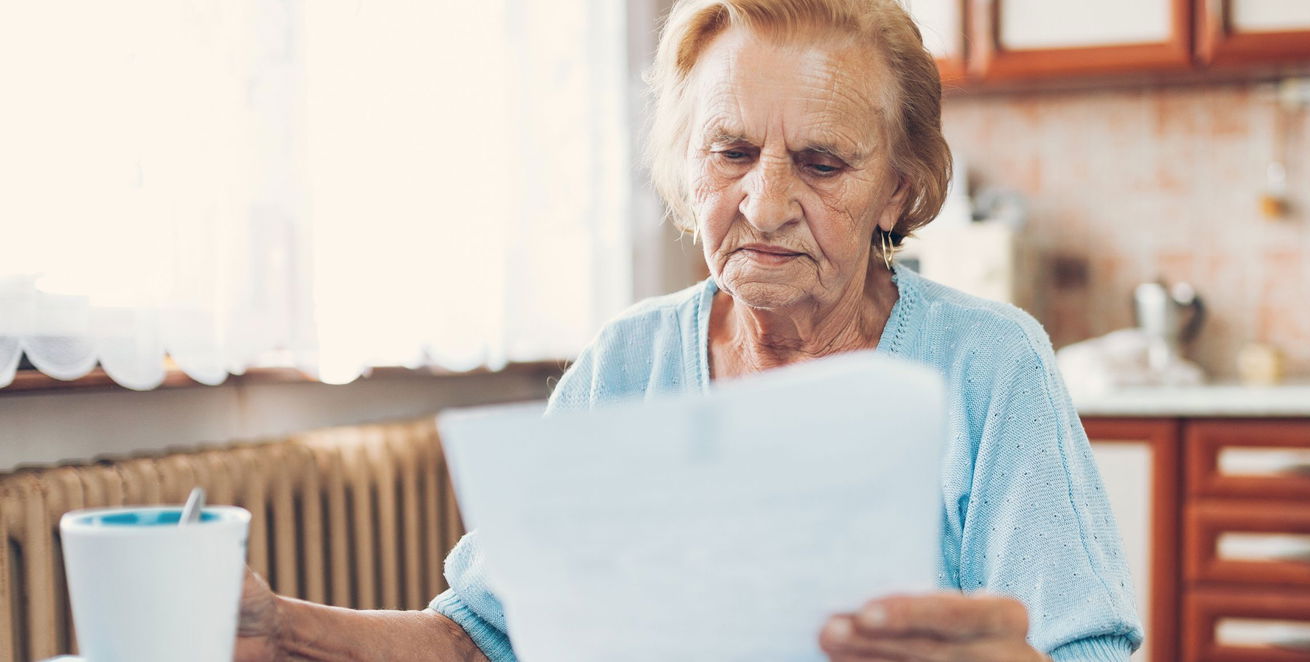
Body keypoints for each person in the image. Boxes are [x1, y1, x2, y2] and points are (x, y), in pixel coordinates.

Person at [234, 0, 1142, 660]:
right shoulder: (626, 361)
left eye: (822, 163)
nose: (766, 203)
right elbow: (481, 638)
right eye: (731, 152)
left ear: (898, 191)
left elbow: (1085, 652)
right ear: (685, 164)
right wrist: (283, 631)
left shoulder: (990, 363)